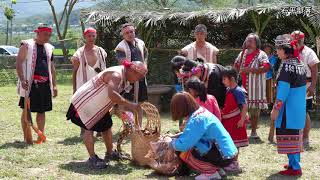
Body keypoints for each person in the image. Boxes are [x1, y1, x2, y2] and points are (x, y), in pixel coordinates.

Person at [66, 61, 147, 169]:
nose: (139, 80)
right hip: (85, 102)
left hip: (99, 105)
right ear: (132, 71)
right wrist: (131, 105)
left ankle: (110, 153)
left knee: (106, 126)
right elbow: (112, 95)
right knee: (88, 128)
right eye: (139, 77)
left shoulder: (124, 76)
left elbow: (117, 99)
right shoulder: (116, 75)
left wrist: (124, 114)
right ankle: (92, 158)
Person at [170, 92, 238, 180]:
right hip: (227, 153)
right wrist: (177, 136)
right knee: (194, 145)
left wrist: (171, 143)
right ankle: (217, 169)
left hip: (222, 156)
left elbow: (185, 144)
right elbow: (191, 135)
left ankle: (210, 173)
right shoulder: (201, 112)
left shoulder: (197, 119)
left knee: (187, 151)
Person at [271, 34, 307, 176]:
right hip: (298, 108)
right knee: (295, 136)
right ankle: (293, 163)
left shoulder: (286, 66)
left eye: (279, 49)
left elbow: (283, 92)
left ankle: (296, 167)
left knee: (288, 134)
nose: (277, 51)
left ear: (285, 50)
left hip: (288, 110)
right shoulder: (300, 64)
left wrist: (275, 109)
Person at [16, 24, 57, 144]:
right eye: (45, 34)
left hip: (45, 85)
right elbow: (19, 63)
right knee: (26, 110)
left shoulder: (49, 48)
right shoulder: (26, 45)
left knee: (42, 111)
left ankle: (40, 136)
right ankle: (26, 137)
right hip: (30, 84)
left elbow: (52, 67)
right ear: (37, 33)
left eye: (49, 35)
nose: (47, 37)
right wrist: (23, 79)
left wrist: (54, 85)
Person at [71, 27, 108, 138]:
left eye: (93, 35)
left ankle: (100, 130)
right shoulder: (79, 53)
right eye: (89, 36)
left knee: (100, 105)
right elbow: (74, 71)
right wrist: (74, 88)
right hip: (83, 84)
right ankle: (84, 130)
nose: (91, 38)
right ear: (84, 37)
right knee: (84, 107)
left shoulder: (101, 51)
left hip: (99, 84)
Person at [234, 33, 270, 139]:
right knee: (240, 109)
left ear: (256, 43)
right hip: (241, 87)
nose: (248, 43)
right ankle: (241, 130)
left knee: (254, 110)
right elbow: (235, 66)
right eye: (247, 40)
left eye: (250, 41)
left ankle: (254, 132)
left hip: (255, 87)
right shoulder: (242, 53)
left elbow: (266, 67)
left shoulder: (261, 54)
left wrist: (249, 70)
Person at [115, 23, 148, 125]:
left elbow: (146, 54)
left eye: (131, 31)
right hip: (128, 79)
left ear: (134, 32)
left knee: (140, 103)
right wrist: (132, 66)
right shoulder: (120, 47)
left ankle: (139, 127)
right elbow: (121, 60)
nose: (130, 34)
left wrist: (145, 65)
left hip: (141, 77)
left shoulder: (141, 43)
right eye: (127, 33)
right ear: (123, 35)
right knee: (126, 104)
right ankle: (129, 126)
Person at [291, 30, 319, 149]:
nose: (297, 42)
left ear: (303, 40)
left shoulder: (309, 52)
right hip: (292, 85)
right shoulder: (289, 50)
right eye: (295, 40)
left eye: (299, 40)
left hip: (305, 85)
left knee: (304, 111)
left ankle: (305, 138)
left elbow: (314, 70)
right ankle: (295, 137)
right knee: (293, 110)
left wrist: (313, 86)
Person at [220, 66, 249, 172]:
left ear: (231, 78)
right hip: (228, 121)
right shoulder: (229, 90)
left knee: (235, 143)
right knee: (229, 142)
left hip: (236, 121)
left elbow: (244, 106)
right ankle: (229, 163)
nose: (222, 81)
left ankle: (235, 164)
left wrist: (242, 120)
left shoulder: (238, 91)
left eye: (224, 79)